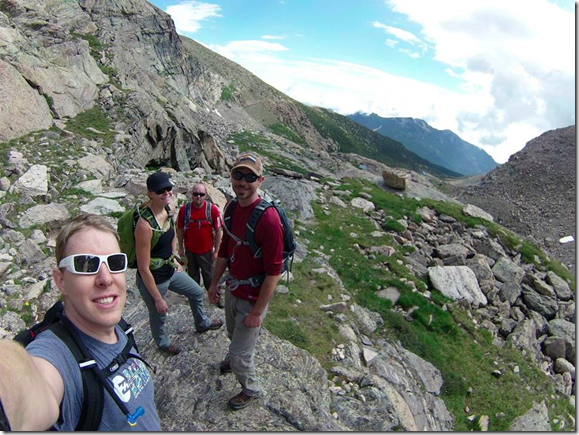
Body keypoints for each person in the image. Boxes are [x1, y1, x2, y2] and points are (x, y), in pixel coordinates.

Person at [0, 214, 161, 431]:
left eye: (115, 262)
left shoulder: (120, 327)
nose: (106, 278)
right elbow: (32, 395)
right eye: (86, 265)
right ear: (61, 281)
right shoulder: (57, 356)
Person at [208, 154, 283, 411]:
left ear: (260, 181)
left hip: (252, 297)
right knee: (232, 334)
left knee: (241, 356)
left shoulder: (269, 220)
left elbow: (274, 273)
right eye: (238, 175)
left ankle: (251, 389)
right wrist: (214, 283)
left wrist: (257, 312)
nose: (242, 182)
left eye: (250, 177)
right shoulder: (230, 208)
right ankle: (234, 356)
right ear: (231, 177)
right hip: (233, 289)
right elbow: (226, 249)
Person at [135, 171, 223, 356]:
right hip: (154, 278)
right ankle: (163, 342)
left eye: (169, 188)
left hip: (170, 270)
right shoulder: (144, 225)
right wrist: (158, 299)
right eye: (161, 191)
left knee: (197, 292)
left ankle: (202, 323)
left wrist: (175, 257)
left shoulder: (169, 210)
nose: (167, 193)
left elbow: (174, 234)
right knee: (158, 314)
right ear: (150, 193)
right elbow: (143, 268)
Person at [176, 182, 224, 307]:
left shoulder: (212, 210)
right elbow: (180, 229)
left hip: (206, 251)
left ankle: (215, 297)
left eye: (201, 194)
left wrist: (216, 250)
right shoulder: (184, 210)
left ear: (206, 195)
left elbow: (219, 230)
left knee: (210, 277)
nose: (198, 197)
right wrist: (180, 247)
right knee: (193, 276)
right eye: (196, 194)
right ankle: (195, 299)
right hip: (190, 251)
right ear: (191, 194)